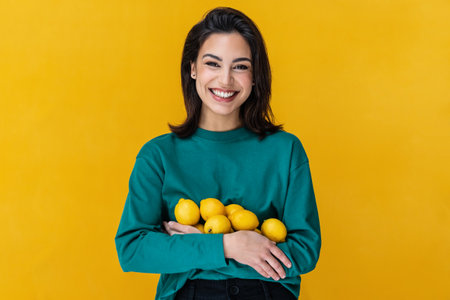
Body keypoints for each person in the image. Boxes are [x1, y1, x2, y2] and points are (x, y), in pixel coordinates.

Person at [114, 6, 321, 300]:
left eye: (240, 66)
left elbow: (304, 251)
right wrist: (228, 246)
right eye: (213, 63)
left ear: (255, 75)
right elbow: (132, 249)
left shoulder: (286, 151)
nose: (225, 80)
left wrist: (195, 252)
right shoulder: (157, 155)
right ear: (193, 68)